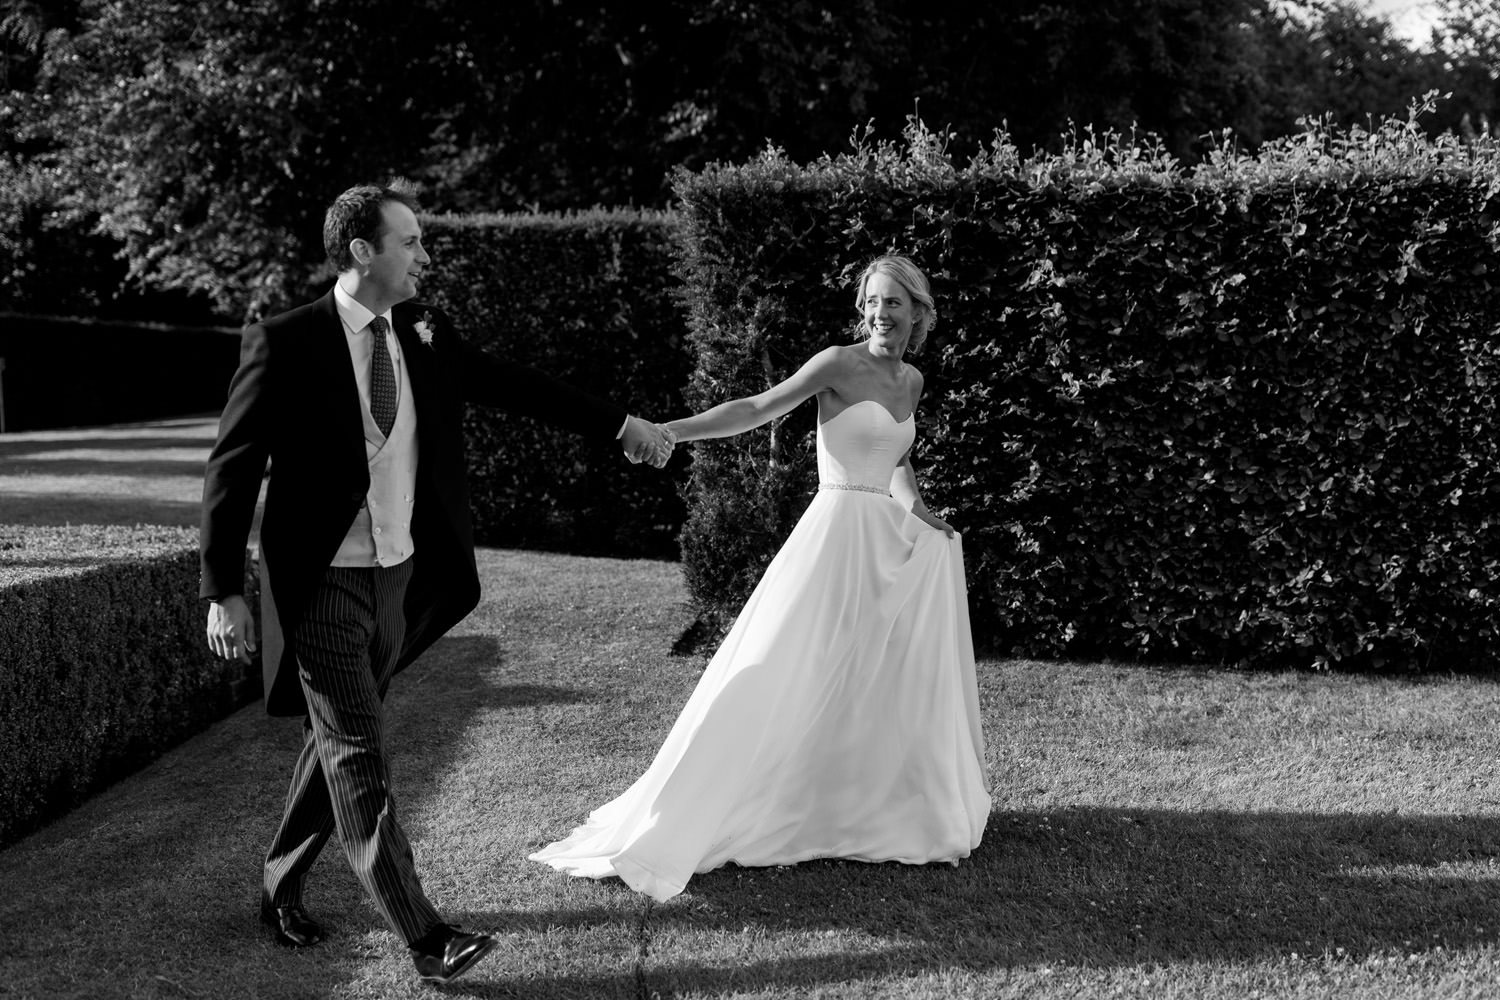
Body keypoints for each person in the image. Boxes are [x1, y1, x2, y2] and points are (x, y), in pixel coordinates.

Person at [199, 182, 672, 985]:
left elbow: (515, 384)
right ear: (363, 251)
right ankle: (426, 937)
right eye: (411, 241)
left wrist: (619, 424)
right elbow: (232, 468)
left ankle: (279, 885)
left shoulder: (425, 331)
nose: (424, 255)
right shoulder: (284, 342)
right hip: (319, 584)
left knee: (335, 737)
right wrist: (223, 590)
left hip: (399, 579)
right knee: (359, 750)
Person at [530, 255, 990, 901]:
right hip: (831, 540)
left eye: (893, 302)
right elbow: (757, 407)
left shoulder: (911, 380)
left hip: (882, 547)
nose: (880, 313)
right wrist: (671, 431)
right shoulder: (837, 363)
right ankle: (702, 805)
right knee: (780, 664)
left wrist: (921, 514)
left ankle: (845, 804)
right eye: (872, 301)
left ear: (918, 311)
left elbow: (896, 462)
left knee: (867, 676)